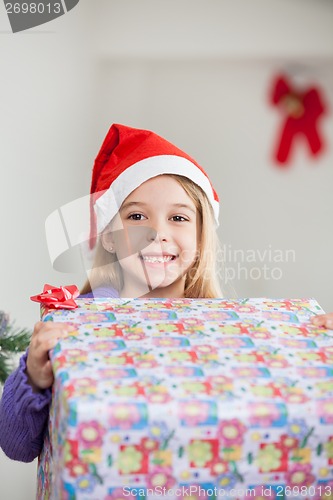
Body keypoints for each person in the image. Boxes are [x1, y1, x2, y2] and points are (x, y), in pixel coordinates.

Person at [1, 124, 332, 463]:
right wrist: (33, 378)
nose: (157, 232)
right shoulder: (73, 323)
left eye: (178, 217)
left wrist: (315, 343)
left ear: (201, 237)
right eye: (137, 216)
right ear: (110, 236)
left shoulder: (228, 328)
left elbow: (274, 403)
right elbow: (16, 445)